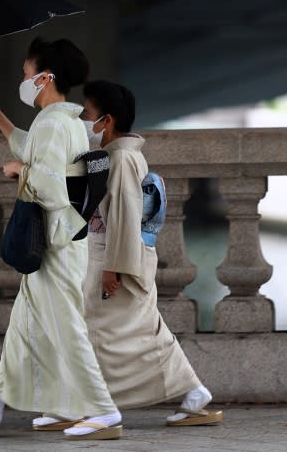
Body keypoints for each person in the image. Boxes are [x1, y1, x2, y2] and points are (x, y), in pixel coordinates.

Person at [0, 38, 123, 440]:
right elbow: (36, 149)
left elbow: (52, 184)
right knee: (25, 327)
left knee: (66, 326)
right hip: (64, 238)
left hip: (56, 243)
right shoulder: (64, 122)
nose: (24, 80)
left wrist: (17, 172)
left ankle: (103, 409)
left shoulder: (53, 123)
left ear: (45, 78)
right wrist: (0, 117)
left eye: (27, 74)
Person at [76, 80, 223, 427]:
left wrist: (113, 268)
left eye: (88, 113)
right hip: (116, 252)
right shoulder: (118, 156)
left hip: (114, 255)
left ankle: (99, 405)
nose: (83, 119)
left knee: (106, 333)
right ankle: (193, 391)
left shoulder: (123, 158)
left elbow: (125, 215)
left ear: (107, 120)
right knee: (143, 330)